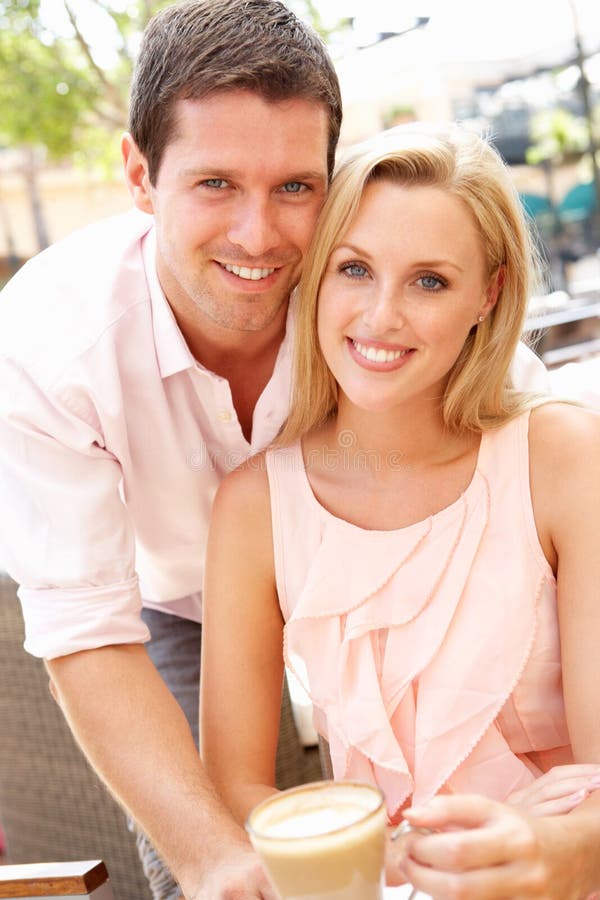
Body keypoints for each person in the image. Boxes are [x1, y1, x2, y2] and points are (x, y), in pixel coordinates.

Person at [200, 123, 600, 899]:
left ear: (488, 293)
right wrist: (386, 859)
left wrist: (558, 852)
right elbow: (239, 792)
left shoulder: (561, 458)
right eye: (355, 269)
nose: (382, 316)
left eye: (430, 281)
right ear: (315, 277)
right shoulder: (254, 507)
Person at [0, 2, 342, 898]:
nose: (260, 236)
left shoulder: (368, 286)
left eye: (296, 187)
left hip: (368, 570)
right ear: (140, 175)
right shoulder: (47, 343)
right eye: (216, 184)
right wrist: (210, 857)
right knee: (210, 865)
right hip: (177, 603)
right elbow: (87, 632)